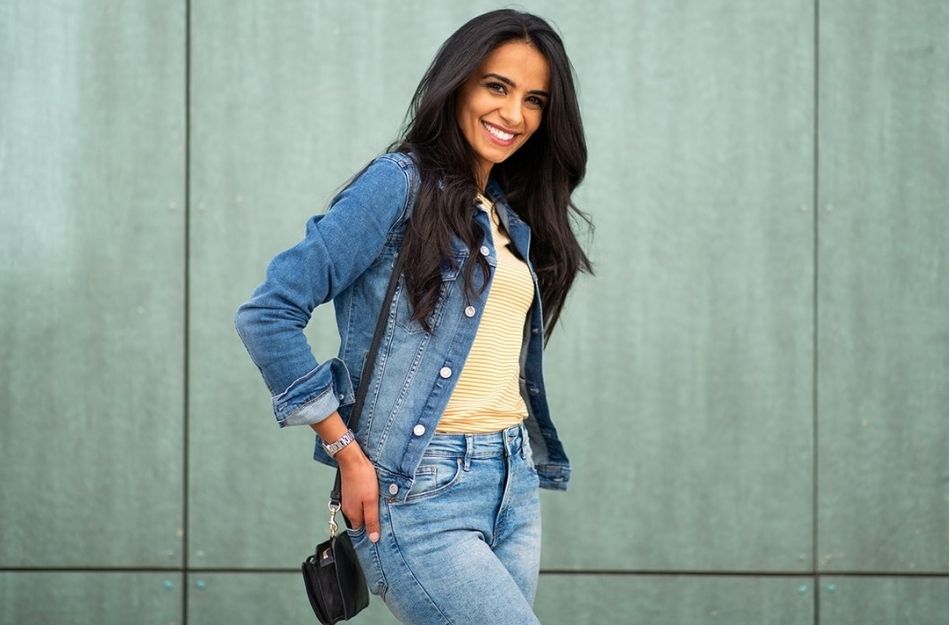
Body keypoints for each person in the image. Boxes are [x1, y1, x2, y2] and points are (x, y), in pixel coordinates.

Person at [235, 9, 591, 624]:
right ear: (458, 83)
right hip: (421, 489)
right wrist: (344, 449)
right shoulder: (397, 185)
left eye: (534, 100)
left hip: (513, 479)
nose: (514, 115)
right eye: (497, 87)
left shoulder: (507, 211)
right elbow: (268, 312)